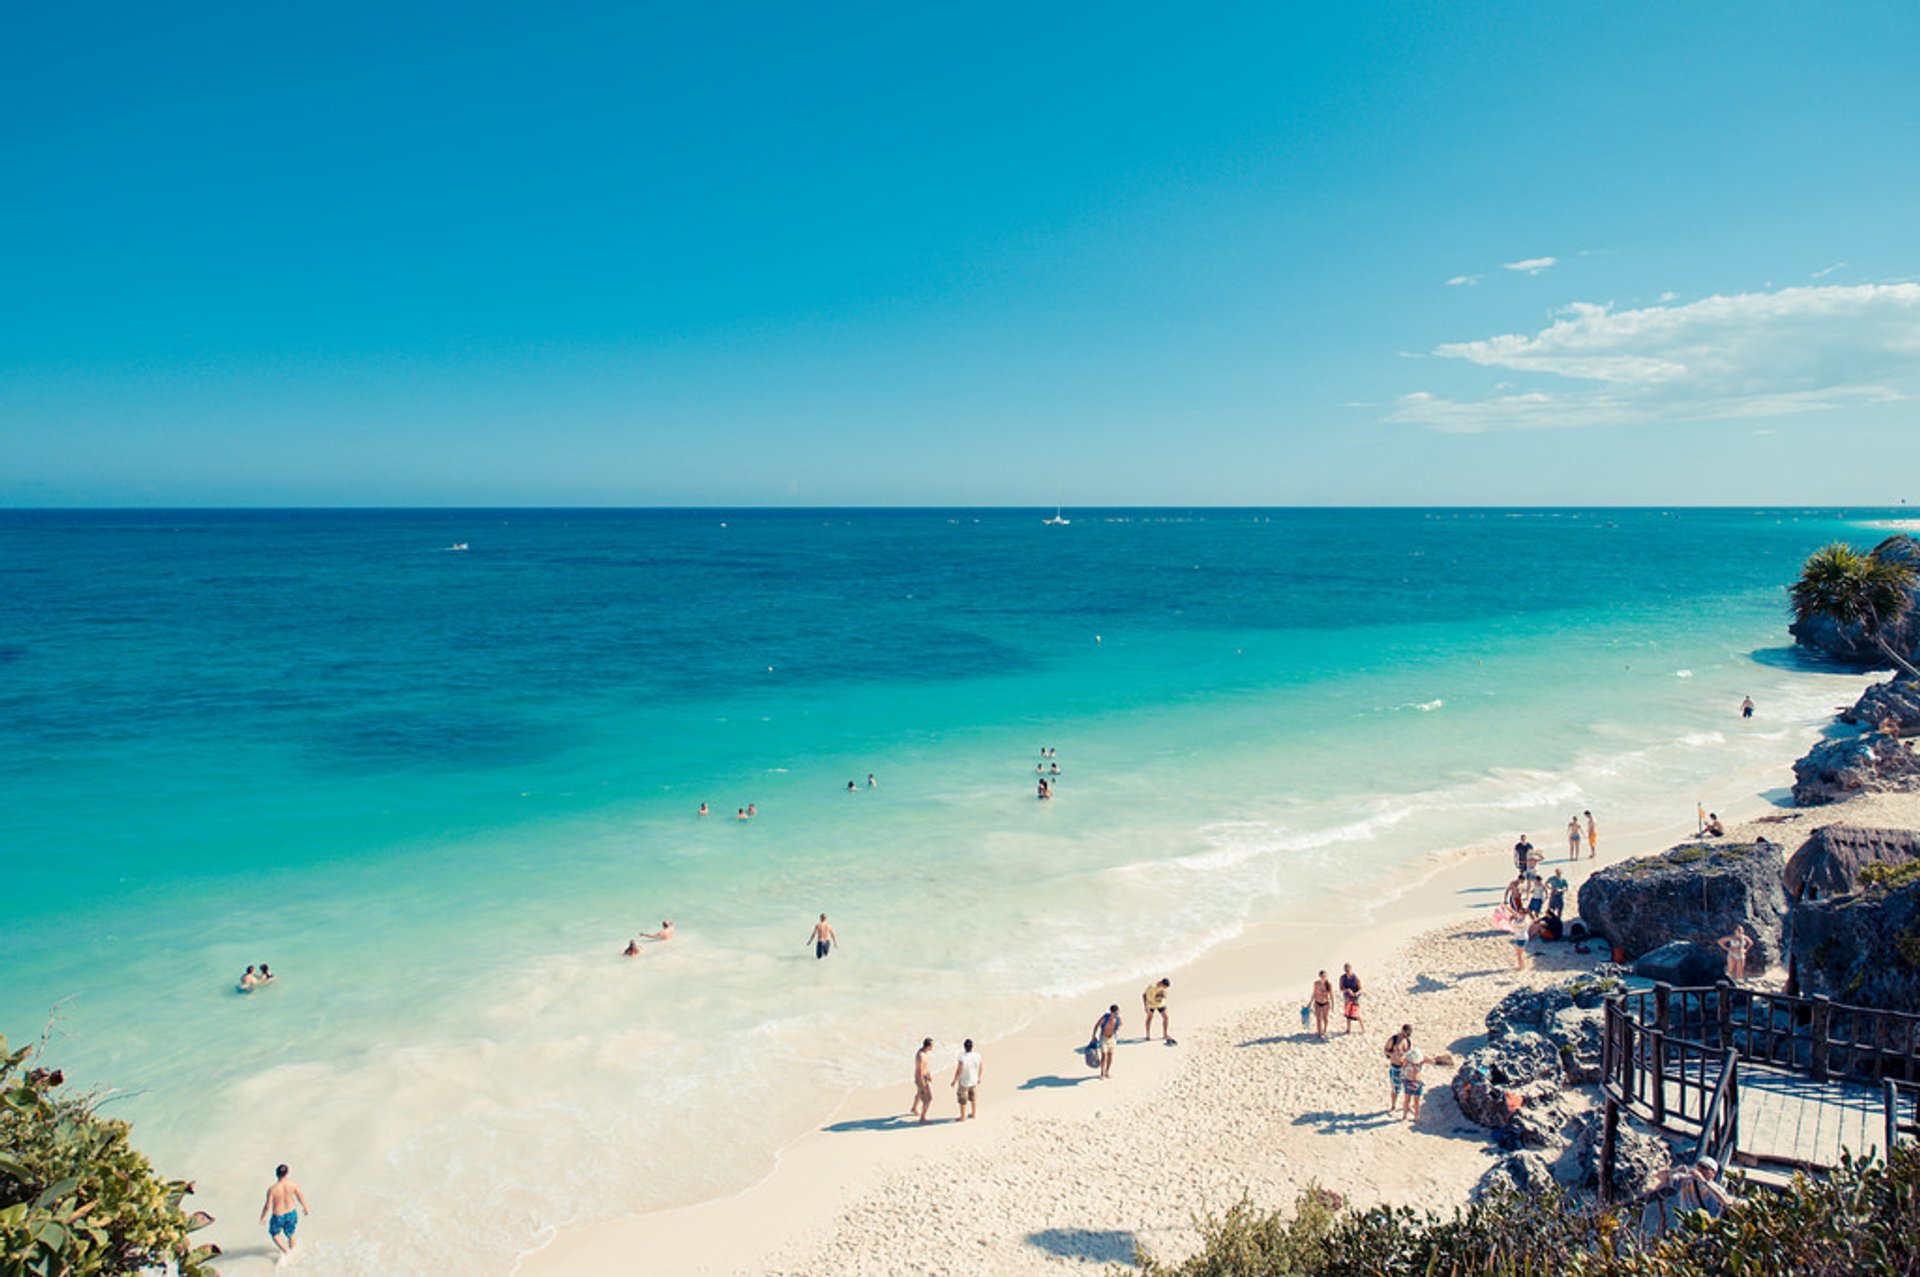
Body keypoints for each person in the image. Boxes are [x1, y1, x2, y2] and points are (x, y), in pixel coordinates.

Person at [260, 1164, 310, 1257]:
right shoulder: (293, 1185)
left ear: (276, 1174)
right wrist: (305, 1207)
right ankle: (293, 1252)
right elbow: (300, 1196)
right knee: (291, 1233)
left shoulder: (272, 1189)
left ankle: (285, 1251)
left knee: (274, 1233)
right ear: (287, 1173)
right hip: (291, 1213)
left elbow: (267, 1205)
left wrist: (262, 1217)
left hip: (278, 1215)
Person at [953, 1038, 982, 1119]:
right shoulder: (977, 1055)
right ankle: (973, 1113)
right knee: (973, 1098)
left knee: (962, 1100)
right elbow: (981, 1067)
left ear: (964, 1047)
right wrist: (979, 1077)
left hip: (964, 1081)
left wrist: (954, 1080)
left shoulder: (962, 1057)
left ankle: (962, 1117)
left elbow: (959, 1070)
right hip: (974, 1080)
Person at [1384, 1026, 1411, 1111]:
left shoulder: (1407, 1041)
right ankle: (1393, 1105)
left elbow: (1408, 1053)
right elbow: (1386, 1050)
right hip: (1395, 1067)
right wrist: (1392, 1055)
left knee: (1408, 1088)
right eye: (1406, 1034)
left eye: (1408, 1035)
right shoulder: (1394, 1039)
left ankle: (1407, 1106)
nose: (1406, 1036)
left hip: (1404, 1067)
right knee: (1395, 1089)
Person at [1092, 1004, 1122, 1078]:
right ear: (1111, 1012)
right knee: (1104, 1055)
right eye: (1115, 1013)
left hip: (1112, 1038)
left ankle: (1107, 1071)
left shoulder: (1118, 1019)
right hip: (1103, 1038)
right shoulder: (1105, 1018)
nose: (1117, 1015)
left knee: (1110, 1055)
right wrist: (1093, 1036)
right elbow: (1096, 1025)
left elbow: (1121, 1024)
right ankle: (1102, 1072)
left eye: (1118, 1013)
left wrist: (1118, 1029)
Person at [910, 1038, 935, 1123]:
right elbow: (920, 1070)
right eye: (932, 1045)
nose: (933, 1047)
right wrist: (923, 1083)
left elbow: (925, 1067)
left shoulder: (924, 1053)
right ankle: (922, 1118)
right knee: (928, 1099)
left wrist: (928, 1074)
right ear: (928, 1046)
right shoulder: (921, 1056)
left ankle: (914, 1108)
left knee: (919, 1093)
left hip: (923, 1077)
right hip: (920, 1078)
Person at [1398, 1048, 1426, 1120]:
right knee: (1407, 1100)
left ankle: (1416, 1116)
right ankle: (1404, 1115)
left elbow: (1431, 1060)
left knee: (1416, 1101)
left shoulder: (1422, 1061)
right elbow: (1401, 1064)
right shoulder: (1407, 1061)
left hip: (1418, 1082)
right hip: (1408, 1081)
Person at [1339, 964, 1363, 1033]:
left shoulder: (1355, 978)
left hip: (1355, 997)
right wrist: (1347, 990)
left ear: (1351, 969)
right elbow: (1341, 989)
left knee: (1356, 1013)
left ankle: (1362, 1028)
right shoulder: (1342, 978)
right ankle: (1348, 1029)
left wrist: (1356, 993)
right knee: (1347, 1014)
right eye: (1346, 970)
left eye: (1348, 970)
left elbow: (1360, 989)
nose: (1347, 971)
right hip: (1347, 997)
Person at [1310, 971, 1333, 1039]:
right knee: (1318, 1018)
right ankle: (1319, 1032)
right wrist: (1310, 1002)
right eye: (1322, 976)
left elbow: (1331, 994)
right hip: (1317, 1002)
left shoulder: (1329, 984)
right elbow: (1314, 993)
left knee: (1325, 1018)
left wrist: (1333, 1003)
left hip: (1325, 1003)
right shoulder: (1316, 983)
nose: (1323, 977)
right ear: (1319, 976)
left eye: (1324, 976)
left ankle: (1324, 1030)